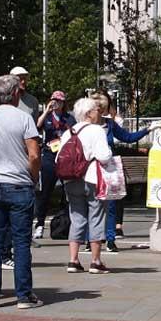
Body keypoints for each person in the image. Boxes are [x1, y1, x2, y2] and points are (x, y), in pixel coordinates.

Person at [0, 74, 42, 309]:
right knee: (21, 242)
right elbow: (33, 154)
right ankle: (24, 295)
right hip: (20, 184)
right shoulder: (24, 119)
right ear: (15, 94)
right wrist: (33, 178)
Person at [93, 90, 152, 252]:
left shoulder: (110, 124)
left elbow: (128, 137)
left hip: (109, 169)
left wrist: (147, 131)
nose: (99, 111)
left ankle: (110, 240)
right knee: (93, 206)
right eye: (96, 108)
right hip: (91, 169)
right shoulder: (86, 127)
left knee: (111, 205)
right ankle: (91, 240)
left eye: (102, 108)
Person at [59, 97, 113, 274]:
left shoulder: (69, 132)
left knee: (77, 217)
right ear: (89, 113)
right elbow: (104, 156)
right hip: (91, 179)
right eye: (97, 109)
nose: (99, 112)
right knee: (96, 216)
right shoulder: (96, 130)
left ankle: (73, 260)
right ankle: (96, 261)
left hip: (70, 180)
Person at [33, 91, 76, 240]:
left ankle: (63, 223)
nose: (57, 103)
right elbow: (37, 126)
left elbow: (74, 133)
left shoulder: (69, 118)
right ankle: (39, 224)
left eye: (60, 101)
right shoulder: (48, 117)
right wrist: (46, 111)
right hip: (50, 155)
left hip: (64, 157)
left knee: (67, 192)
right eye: (54, 100)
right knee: (45, 192)